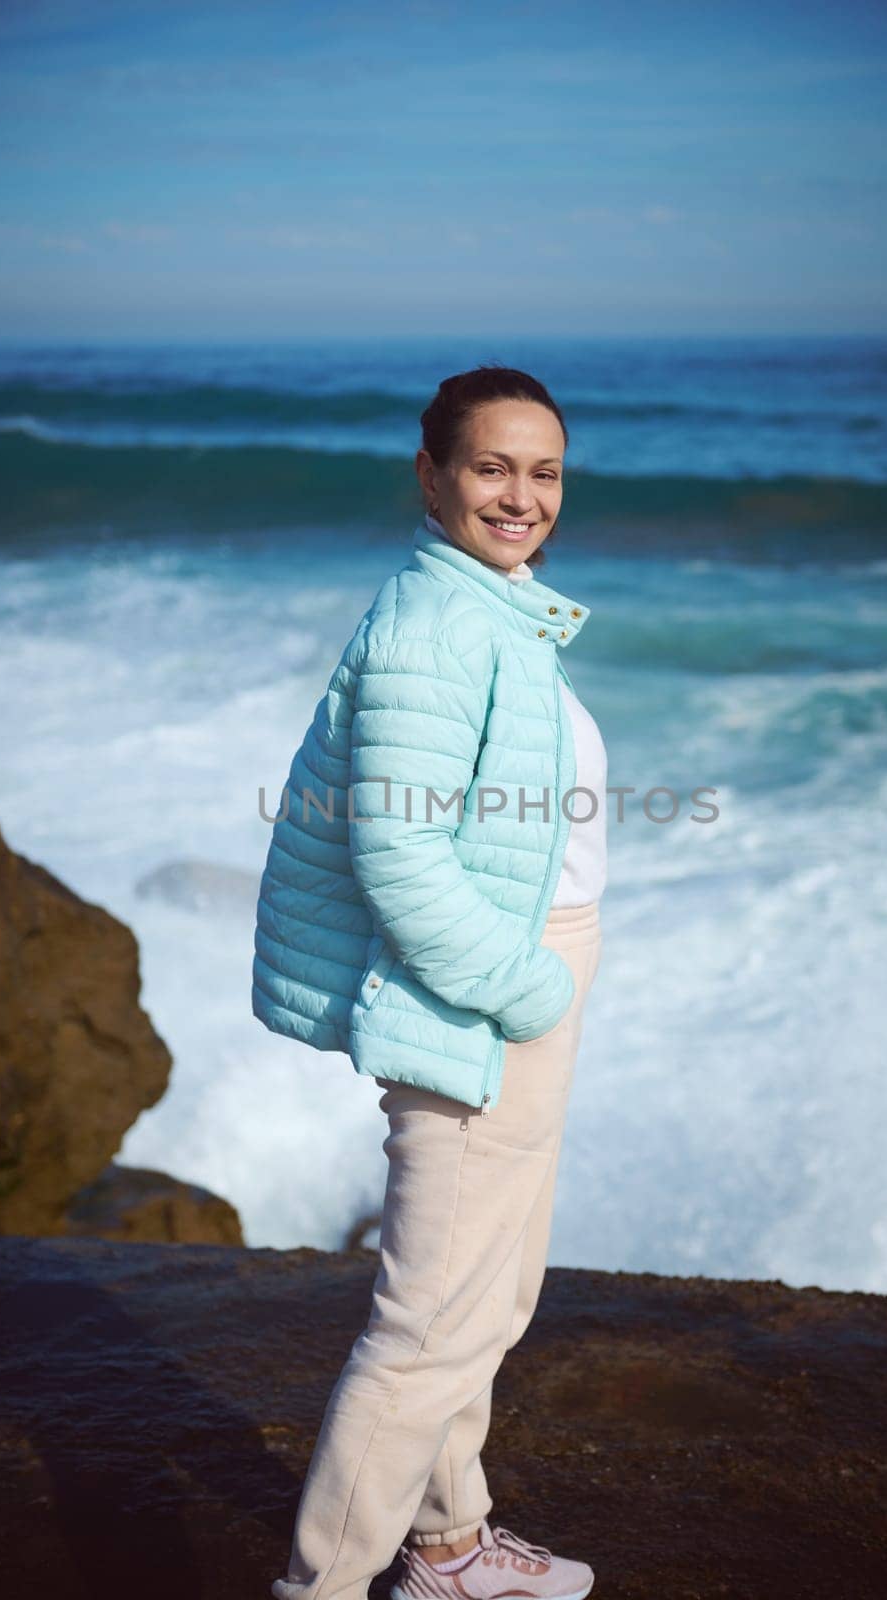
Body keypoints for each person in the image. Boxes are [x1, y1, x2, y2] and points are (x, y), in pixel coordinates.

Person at [253, 364, 608, 1600]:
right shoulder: (436, 624)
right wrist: (524, 989)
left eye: (544, 470)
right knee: (425, 1331)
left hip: (509, 979)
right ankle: (323, 1586)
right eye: (492, 467)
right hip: (470, 999)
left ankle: (451, 1549)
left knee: (482, 1299)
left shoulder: (491, 602)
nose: (522, 496)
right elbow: (396, 850)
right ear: (432, 475)